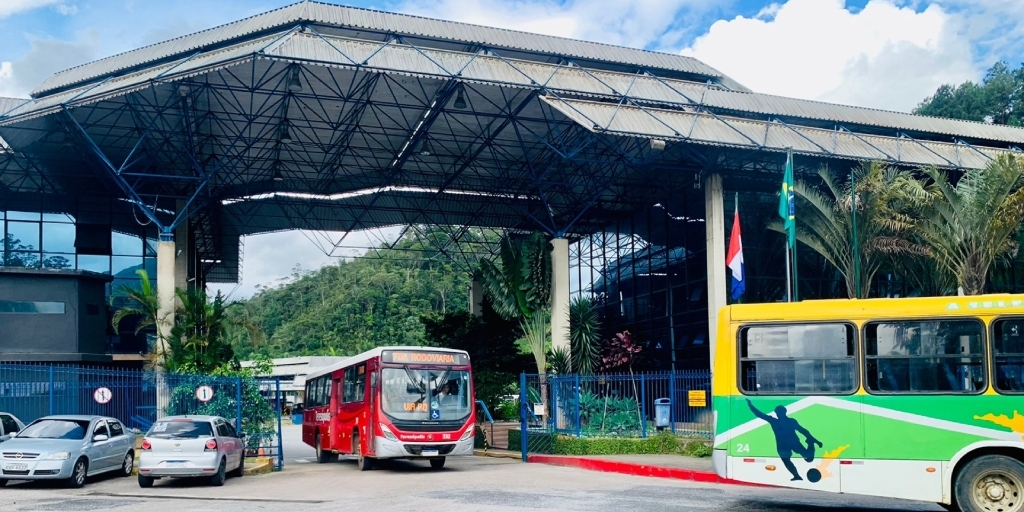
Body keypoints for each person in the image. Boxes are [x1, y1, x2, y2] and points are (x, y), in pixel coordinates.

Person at [747, 399, 822, 481]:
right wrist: (751, 406)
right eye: (777, 413)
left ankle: (810, 443)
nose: (779, 414)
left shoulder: (791, 421)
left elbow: (803, 430)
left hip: (794, 443)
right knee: (786, 461)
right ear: (776, 413)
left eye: (780, 412)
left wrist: (814, 440)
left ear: (785, 412)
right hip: (782, 446)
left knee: (809, 459)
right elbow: (760, 415)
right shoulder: (774, 421)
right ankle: (796, 475)